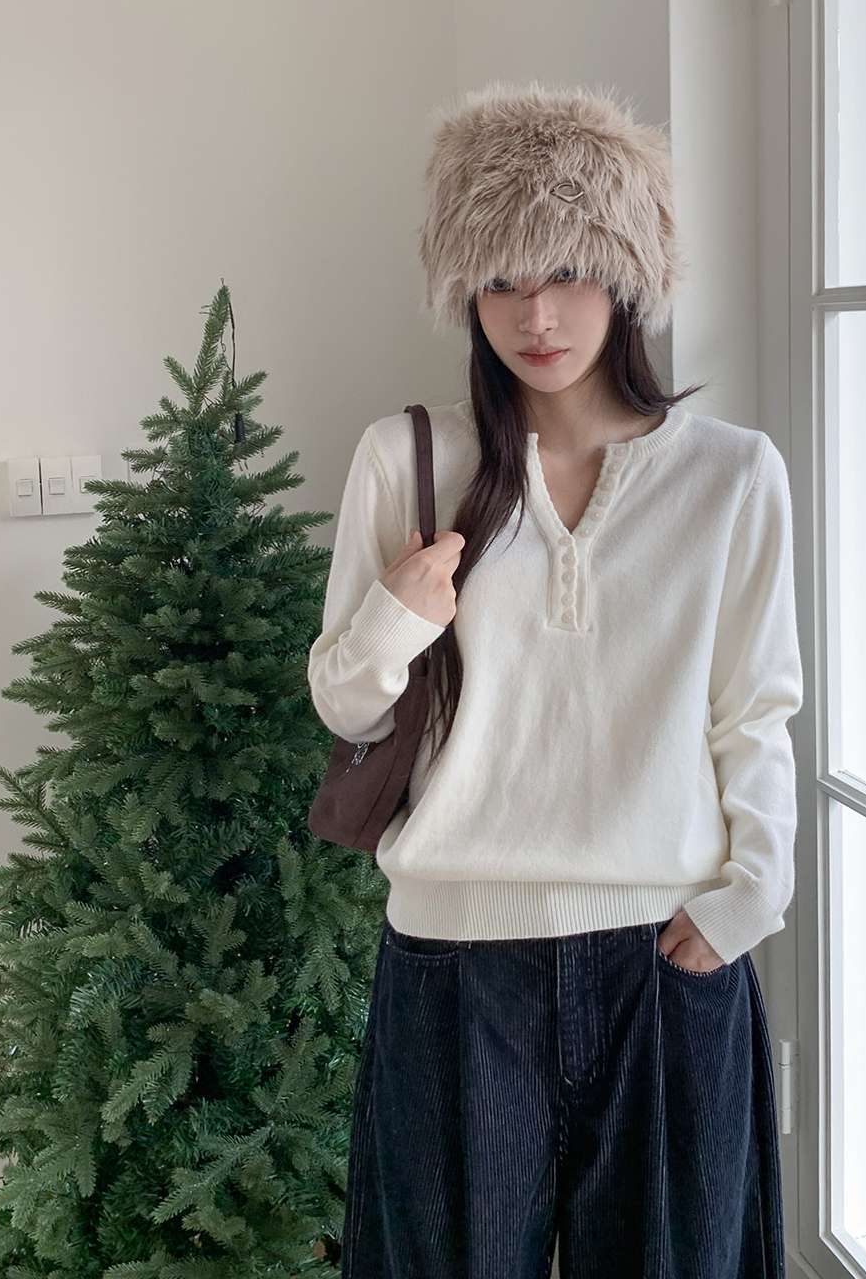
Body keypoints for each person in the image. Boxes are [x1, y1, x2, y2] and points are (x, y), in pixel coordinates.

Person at [306, 78, 804, 1278]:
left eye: (571, 270)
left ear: (628, 273)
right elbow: (344, 701)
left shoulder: (733, 475)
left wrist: (751, 895)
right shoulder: (408, 458)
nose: (537, 314)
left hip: (665, 948)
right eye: (502, 280)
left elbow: (755, 708)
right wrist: (400, 613)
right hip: (454, 958)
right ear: (464, 290)